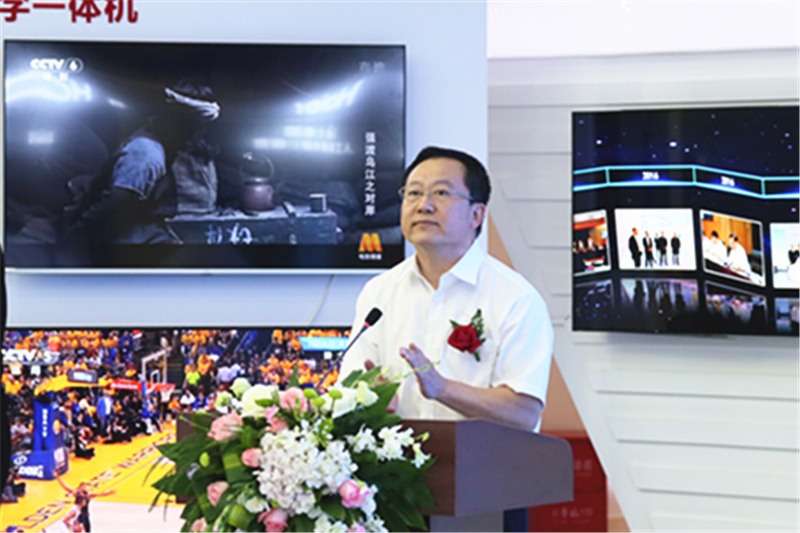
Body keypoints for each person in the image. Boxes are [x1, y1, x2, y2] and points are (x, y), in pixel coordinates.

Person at [339, 146, 553, 531]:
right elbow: (349, 391)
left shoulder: (514, 298)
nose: (423, 204)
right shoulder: (379, 293)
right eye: (413, 193)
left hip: (485, 493)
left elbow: (524, 414)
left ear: (476, 215)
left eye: (440, 192)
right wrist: (372, 401)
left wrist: (443, 389)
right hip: (392, 492)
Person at [66, 78, 221, 249]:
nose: (193, 135)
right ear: (167, 119)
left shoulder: (159, 146)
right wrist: (74, 236)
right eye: (186, 125)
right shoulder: (146, 154)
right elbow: (113, 207)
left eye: (199, 128)